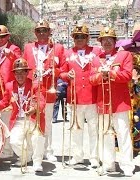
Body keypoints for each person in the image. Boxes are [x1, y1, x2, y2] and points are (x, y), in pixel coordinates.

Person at [90, 27, 135, 176]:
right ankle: (108, 165)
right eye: (104, 40)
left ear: (115, 42)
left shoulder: (125, 55)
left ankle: (127, 166)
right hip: (103, 102)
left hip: (120, 102)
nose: (107, 42)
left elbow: (128, 75)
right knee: (105, 135)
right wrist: (100, 76)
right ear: (100, 42)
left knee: (123, 134)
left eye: (110, 40)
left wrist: (111, 73)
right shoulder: (96, 59)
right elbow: (91, 79)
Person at [0, 58, 46, 171]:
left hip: (34, 118)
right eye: (17, 72)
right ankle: (25, 157)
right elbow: (5, 101)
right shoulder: (10, 86)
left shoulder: (35, 84)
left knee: (37, 139)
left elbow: (41, 101)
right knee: (14, 141)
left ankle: (37, 162)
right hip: (18, 120)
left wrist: (34, 109)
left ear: (27, 72)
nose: (19, 75)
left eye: (22, 72)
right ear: (14, 74)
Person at [23, 19, 65, 162]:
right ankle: (33, 151)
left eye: (44, 30)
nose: (42, 33)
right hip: (33, 90)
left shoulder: (58, 48)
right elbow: (23, 67)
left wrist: (53, 70)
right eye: (39, 31)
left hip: (48, 89)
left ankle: (48, 150)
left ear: (49, 32)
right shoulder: (28, 47)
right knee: (32, 121)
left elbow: (63, 68)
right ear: (35, 33)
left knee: (47, 122)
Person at [59, 24, 101, 167]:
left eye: (82, 36)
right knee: (76, 129)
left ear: (88, 38)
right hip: (75, 98)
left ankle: (94, 157)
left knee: (93, 129)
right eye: (77, 37)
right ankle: (77, 156)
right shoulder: (67, 53)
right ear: (73, 38)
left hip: (92, 97)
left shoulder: (96, 51)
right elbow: (62, 72)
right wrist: (66, 75)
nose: (79, 39)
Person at [0, 25, 21, 158]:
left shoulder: (14, 48)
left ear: (8, 36)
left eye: (2, 37)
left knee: (8, 121)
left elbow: (19, 65)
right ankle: (3, 148)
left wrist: (12, 56)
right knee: (0, 121)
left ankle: (9, 151)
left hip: (9, 90)